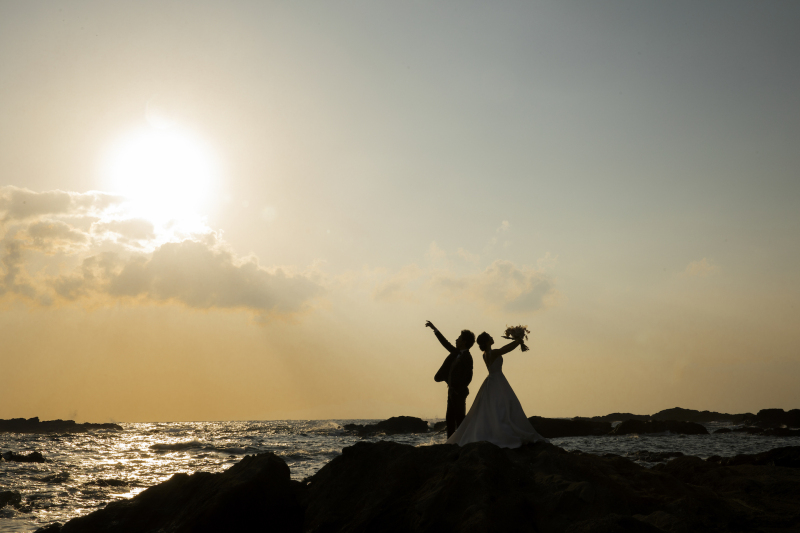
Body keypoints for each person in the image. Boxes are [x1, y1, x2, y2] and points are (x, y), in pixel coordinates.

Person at [445, 331, 548, 448]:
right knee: (502, 404)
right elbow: (506, 349)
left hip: (493, 381)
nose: (492, 337)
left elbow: (504, 349)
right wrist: (518, 341)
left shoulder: (485, 354)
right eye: (490, 337)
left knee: (493, 406)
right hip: (498, 380)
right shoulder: (492, 353)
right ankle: (503, 429)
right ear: (487, 341)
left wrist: (518, 341)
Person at [425, 321, 474, 438]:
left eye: (459, 338)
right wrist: (434, 328)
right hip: (452, 391)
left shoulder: (467, 357)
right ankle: (450, 442)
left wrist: (458, 389)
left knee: (460, 418)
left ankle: (462, 442)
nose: (456, 340)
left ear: (464, 342)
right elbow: (445, 343)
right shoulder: (455, 352)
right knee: (449, 418)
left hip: (459, 392)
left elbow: (469, 377)